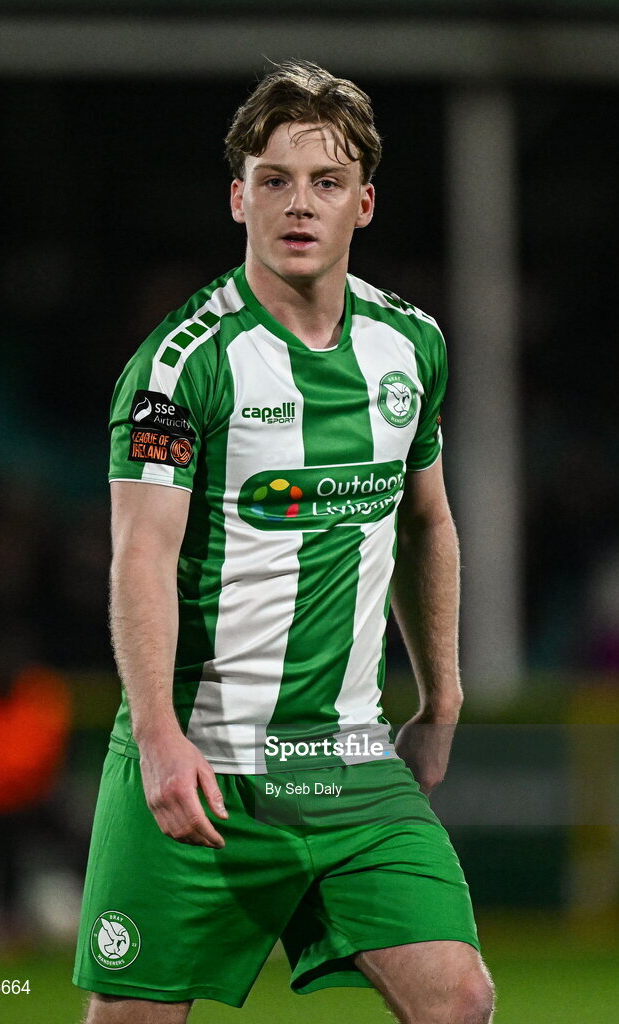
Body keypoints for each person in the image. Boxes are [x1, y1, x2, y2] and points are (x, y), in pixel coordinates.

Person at [73, 60, 495, 1024]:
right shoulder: (178, 368)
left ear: (364, 203)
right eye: (274, 180)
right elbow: (139, 554)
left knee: (459, 999)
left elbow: (425, 520)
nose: (298, 204)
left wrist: (441, 695)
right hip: (203, 760)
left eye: (326, 182)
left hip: (349, 761)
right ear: (238, 198)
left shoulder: (412, 346)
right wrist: (157, 740)